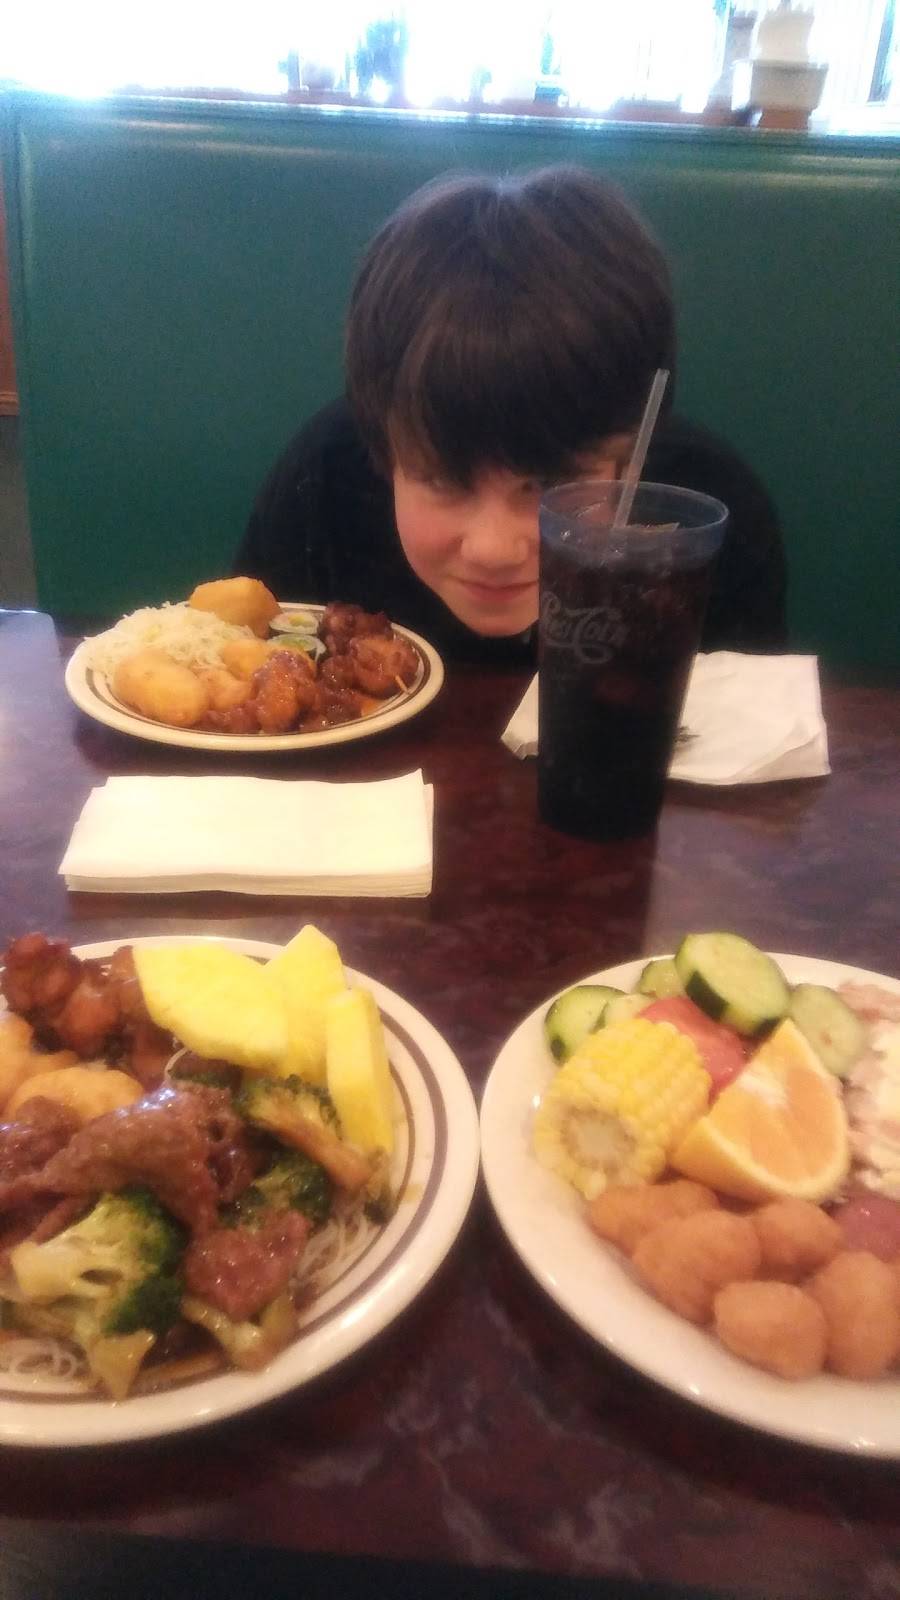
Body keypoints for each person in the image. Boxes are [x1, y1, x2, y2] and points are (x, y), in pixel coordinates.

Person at [235, 165, 786, 662]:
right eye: (443, 480)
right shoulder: (323, 486)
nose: (493, 550)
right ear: (383, 447)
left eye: (548, 483)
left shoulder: (706, 521)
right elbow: (237, 668)